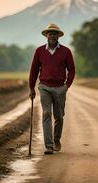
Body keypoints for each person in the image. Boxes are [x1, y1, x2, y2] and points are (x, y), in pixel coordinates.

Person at [29, 23, 75, 154]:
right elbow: (33, 71)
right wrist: (31, 87)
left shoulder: (66, 51)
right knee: (46, 113)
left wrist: (67, 85)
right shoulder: (39, 51)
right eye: (50, 33)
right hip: (44, 87)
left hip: (60, 88)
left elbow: (71, 70)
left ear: (58, 36)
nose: (52, 36)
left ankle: (56, 139)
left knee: (59, 116)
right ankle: (48, 146)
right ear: (46, 35)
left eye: (55, 33)